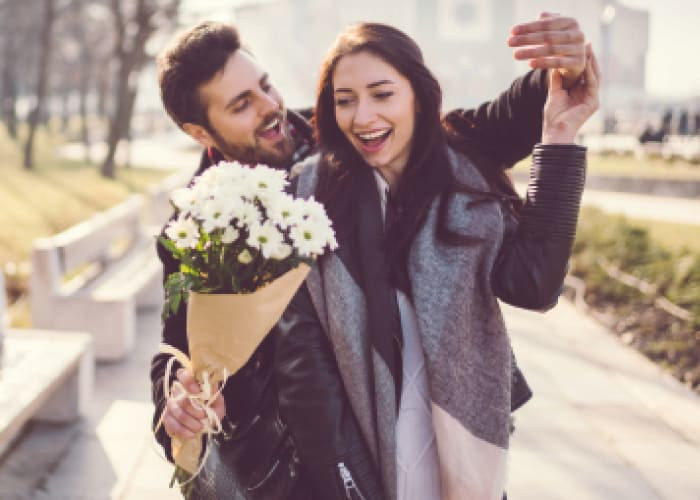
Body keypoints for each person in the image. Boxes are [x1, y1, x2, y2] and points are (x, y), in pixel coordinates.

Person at [150, 16, 589, 498]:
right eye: (241, 105)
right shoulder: (197, 225)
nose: (269, 107)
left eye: (265, 85)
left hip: (420, 413)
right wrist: (175, 399)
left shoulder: (343, 136)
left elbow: (472, 133)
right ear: (199, 131)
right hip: (304, 465)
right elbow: (180, 347)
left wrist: (559, 72)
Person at [274, 22, 598, 500]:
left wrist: (561, 124)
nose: (363, 117)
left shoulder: (460, 167)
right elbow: (306, 376)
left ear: (418, 97)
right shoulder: (311, 200)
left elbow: (534, 285)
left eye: (382, 94)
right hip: (358, 463)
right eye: (345, 100)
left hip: (457, 445)